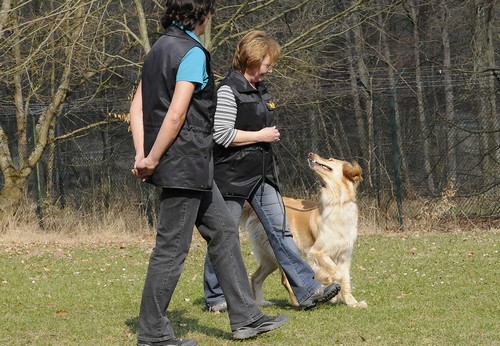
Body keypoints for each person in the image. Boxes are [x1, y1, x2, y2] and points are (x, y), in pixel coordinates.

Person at [130, 2, 287, 345]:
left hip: (189, 166)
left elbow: (137, 106)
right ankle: (153, 333)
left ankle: (246, 317)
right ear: (199, 15)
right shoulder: (192, 53)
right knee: (171, 249)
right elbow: (176, 114)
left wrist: (143, 154)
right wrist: (152, 159)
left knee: (224, 231)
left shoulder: (157, 49)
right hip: (183, 164)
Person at [203, 30, 340, 313]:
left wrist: (264, 138)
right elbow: (221, 134)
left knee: (281, 232)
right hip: (230, 176)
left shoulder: (261, 90)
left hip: (263, 176)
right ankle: (216, 297)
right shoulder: (228, 90)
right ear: (252, 59)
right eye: (268, 62)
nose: (271, 67)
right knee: (224, 236)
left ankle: (307, 289)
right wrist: (260, 135)